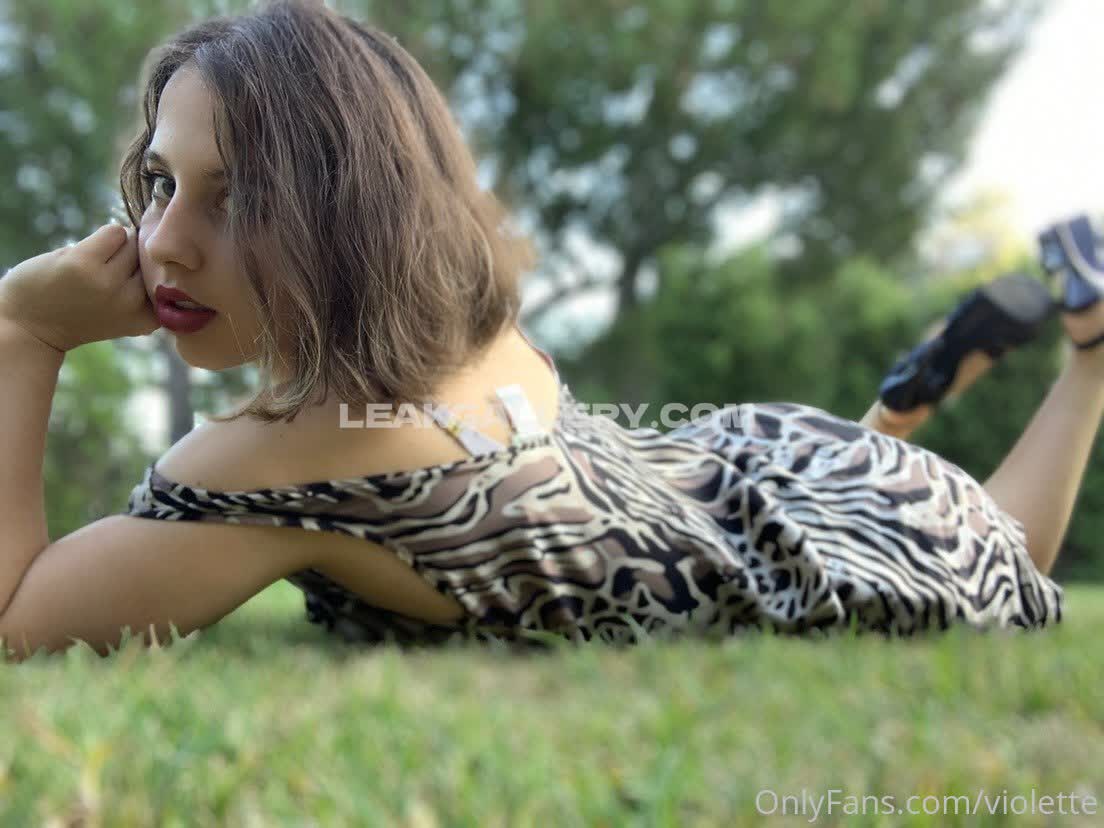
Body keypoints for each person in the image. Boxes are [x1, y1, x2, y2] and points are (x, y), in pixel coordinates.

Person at [0, 1, 1092, 662]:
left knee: (996, 545)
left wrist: (25, 332)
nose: (163, 242)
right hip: (764, 470)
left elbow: (16, 621)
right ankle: (978, 394)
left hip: (831, 562)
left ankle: (1081, 363)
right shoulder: (470, 336)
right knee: (938, 508)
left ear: (345, 216)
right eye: (161, 182)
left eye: (237, 197)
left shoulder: (274, 457)